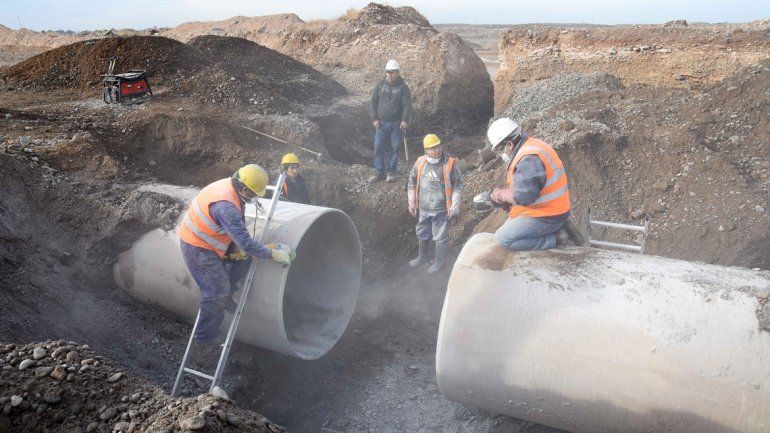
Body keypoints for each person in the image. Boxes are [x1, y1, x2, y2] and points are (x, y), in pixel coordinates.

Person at [177, 164, 295, 345]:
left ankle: (226, 297)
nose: (256, 198)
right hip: (198, 246)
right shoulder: (226, 207)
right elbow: (246, 244)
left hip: (213, 238)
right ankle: (205, 336)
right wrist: (271, 254)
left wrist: (259, 250)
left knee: (245, 258)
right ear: (245, 190)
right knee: (216, 290)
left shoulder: (232, 186)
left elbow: (243, 241)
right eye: (255, 194)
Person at [486, 118, 571, 250]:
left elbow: (524, 196)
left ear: (509, 144)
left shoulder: (528, 158)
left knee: (502, 239)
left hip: (548, 214)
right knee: (509, 227)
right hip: (547, 207)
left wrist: (499, 195)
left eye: (501, 148)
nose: (501, 153)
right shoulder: (530, 145)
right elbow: (527, 185)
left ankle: (555, 238)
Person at [407, 134, 463, 273]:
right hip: (424, 207)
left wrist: (454, 205)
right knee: (422, 232)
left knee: (440, 235)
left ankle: (439, 262)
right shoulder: (420, 162)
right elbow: (411, 181)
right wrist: (411, 202)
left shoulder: (449, 163)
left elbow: (458, 185)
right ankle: (422, 256)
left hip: (441, 209)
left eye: (438, 146)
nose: (437, 150)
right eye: (433, 148)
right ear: (426, 150)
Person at [369, 59, 412, 183]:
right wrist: (374, 118)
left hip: (396, 124)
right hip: (381, 123)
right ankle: (379, 172)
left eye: (392, 72)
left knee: (395, 147)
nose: (390, 74)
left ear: (398, 73)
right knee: (378, 147)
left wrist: (404, 120)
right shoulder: (380, 85)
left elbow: (407, 105)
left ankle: (391, 172)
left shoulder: (403, 88)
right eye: (388, 72)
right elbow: (373, 102)